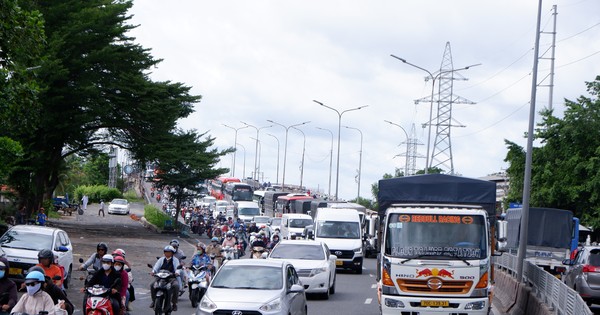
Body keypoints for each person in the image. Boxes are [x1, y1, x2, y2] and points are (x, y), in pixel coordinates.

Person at [150, 246, 180, 312]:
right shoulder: (161, 259)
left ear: (172, 253)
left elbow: (177, 269)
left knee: (176, 286)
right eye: (166, 252)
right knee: (152, 285)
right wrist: (153, 272)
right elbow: (156, 267)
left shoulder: (175, 260)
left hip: (171, 278)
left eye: (169, 252)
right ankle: (154, 300)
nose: (167, 254)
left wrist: (177, 273)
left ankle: (174, 303)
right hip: (160, 277)